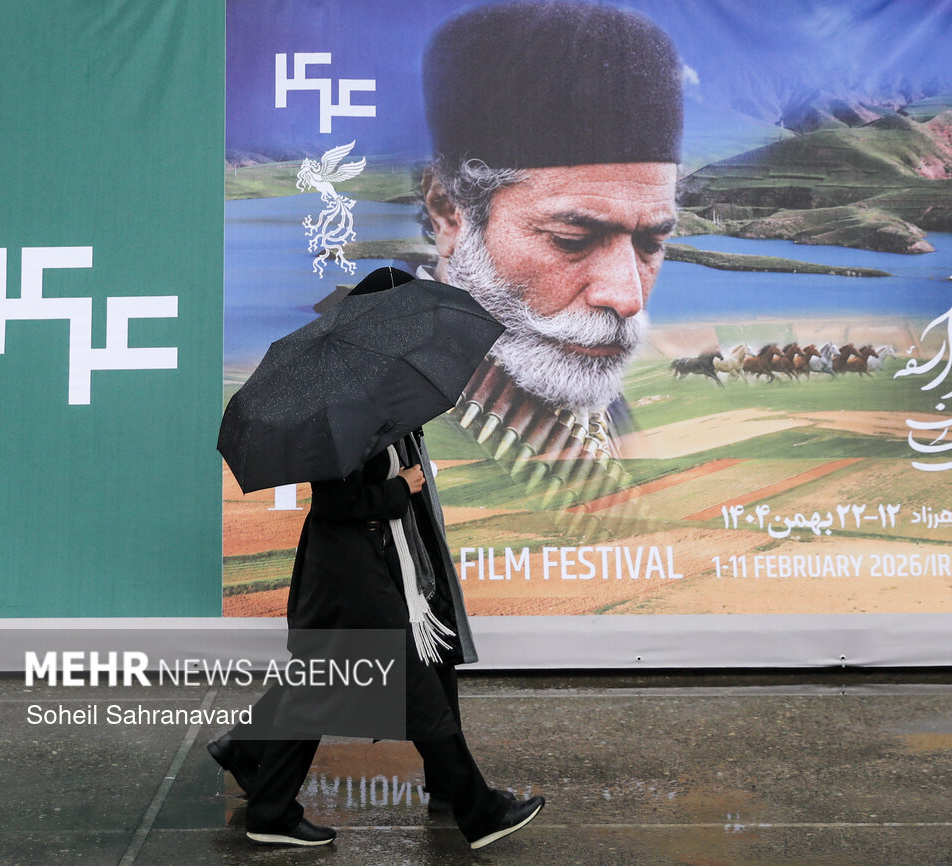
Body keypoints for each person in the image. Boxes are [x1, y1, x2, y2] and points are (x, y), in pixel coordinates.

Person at [208, 267, 544, 849]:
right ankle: (478, 810)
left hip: (368, 574)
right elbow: (338, 502)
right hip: (352, 579)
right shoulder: (341, 404)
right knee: (416, 697)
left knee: (323, 690)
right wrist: (404, 486)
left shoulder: (379, 400)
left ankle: (264, 792)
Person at [417, 1, 684, 512]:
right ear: (449, 212)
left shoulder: (589, 379)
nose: (627, 298)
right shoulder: (385, 417)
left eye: (651, 243)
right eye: (571, 239)